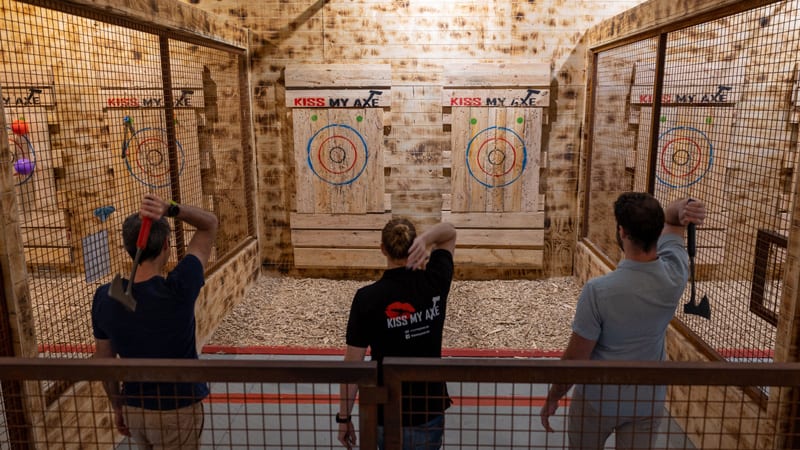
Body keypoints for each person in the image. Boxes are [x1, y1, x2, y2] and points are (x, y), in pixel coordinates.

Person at [539, 193, 706, 449]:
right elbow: (674, 222)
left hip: (599, 398)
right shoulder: (676, 272)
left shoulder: (598, 291)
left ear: (622, 232)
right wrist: (684, 208)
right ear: (657, 230)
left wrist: (553, 396)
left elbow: (575, 359)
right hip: (647, 400)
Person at [92, 193, 218, 449]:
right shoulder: (180, 287)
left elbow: (105, 361)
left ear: (128, 248)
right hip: (177, 407)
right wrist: (171, 208)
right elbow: (210, 223)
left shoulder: (105, 296)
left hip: (135, 407)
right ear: (166, 247)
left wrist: (118, 405)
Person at [337, 218, 457, 450]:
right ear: (415, 246)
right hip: (428, 407)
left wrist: (344, 417)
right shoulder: (435, 281)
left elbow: (353, 365)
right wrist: (427, 238)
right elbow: (449, 232)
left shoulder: (367, 298)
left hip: (385, 410)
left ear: (383, 249)